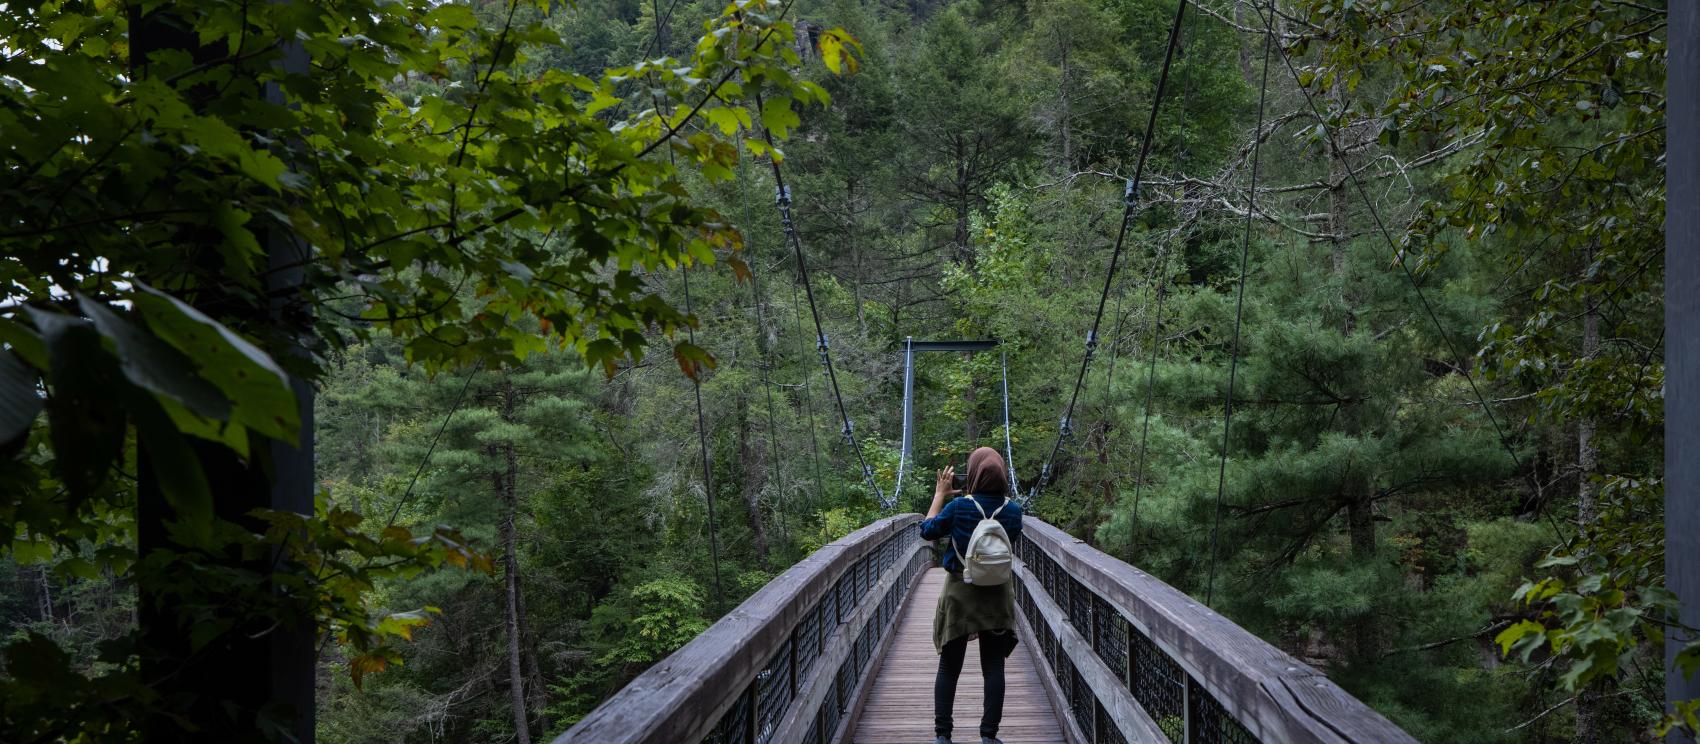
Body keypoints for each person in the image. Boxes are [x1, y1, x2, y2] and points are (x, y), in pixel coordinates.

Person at [918, 446, 1024, 744]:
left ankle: (943, 736)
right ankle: (989, 737)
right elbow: (1010, 541)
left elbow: (927, 531)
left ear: (974, 472)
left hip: (960, 593)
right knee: (994, 668)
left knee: (949, 668)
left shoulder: (959, 507)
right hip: (996, 594)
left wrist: (940, 494)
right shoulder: (1013, 511)